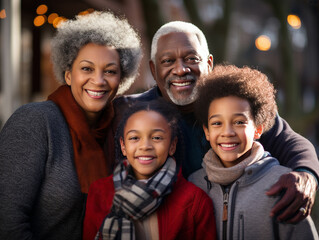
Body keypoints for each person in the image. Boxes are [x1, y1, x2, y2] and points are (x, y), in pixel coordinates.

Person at [113, 20, 319, 224]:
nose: (180, 70)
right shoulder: (131, 113)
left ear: (209, 63)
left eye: (191, 59)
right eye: (167, 61)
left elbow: (292, 143)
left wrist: (306, 175)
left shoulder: (237, 104)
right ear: (153, 68)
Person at [0, 11, 142, 240]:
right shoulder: (35, 122)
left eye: (110, 71)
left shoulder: (120, 131)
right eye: (87, 68)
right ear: (68, 75)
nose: (99, 80)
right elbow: (7, 223)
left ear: (121, 79)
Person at [189, 64, 318, 240]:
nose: (227, 132)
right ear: (207, 132)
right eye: (217, 123)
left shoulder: (284, 186)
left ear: (258, 129)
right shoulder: (194, 185)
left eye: (239, 122)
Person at [83, 99, 216, 240]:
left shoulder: (195, 201)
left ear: (172, 145)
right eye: (134, 138)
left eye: (156, 137)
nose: (145, 146)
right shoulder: (99, 192)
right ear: (123, 146)